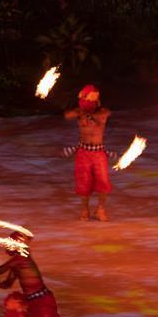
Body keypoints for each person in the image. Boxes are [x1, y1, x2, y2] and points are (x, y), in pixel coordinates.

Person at [64, 85, 112, 221]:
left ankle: (100, 209)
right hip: (83, 152)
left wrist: (88, 113)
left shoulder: (102, 111)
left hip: (99, 153)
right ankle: (85, 210)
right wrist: (80, 108)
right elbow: (67, 115)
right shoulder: (80, 112)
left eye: (94, 98)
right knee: (83, 183)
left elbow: (101, 117)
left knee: (103, 182)